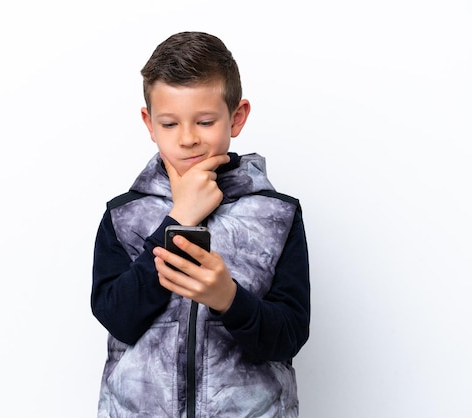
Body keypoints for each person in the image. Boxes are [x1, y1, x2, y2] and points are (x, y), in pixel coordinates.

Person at [91, 31, 310, 417]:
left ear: (236, 117)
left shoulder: (277, 215)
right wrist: (179, 219)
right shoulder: (122, 215)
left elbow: (288, 336)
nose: (188, 139)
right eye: (170, 124)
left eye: (205, 121)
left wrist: (230, 300)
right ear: (149, 123)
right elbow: (118, 318)